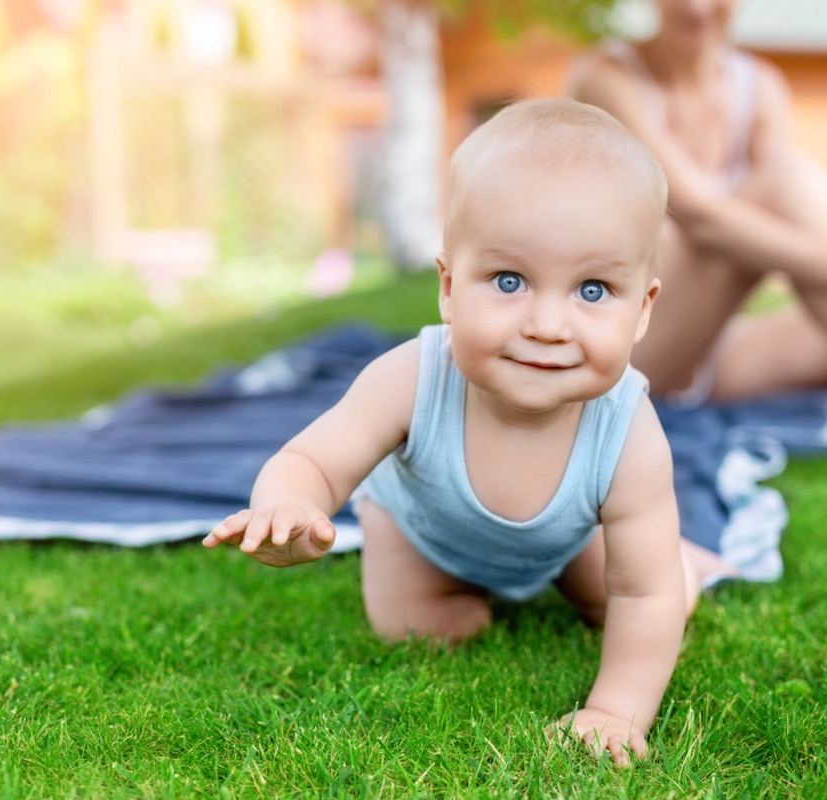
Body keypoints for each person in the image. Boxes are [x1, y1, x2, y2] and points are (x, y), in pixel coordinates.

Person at [205, 98, 720, 766]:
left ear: (642, 309)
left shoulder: (628, 431)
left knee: (653, 599)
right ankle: (454, 594)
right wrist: (290, 504)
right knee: (417, 631)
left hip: (562, 543)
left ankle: (688, 560)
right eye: (510, 281)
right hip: (421, 539)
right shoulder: (414, 378)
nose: (548, 324)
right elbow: (314, 458)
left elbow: (640, 593)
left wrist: (613, 713)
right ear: (449, 288)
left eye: (592, 291)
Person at [568, 0, 827, 451]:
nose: (697, 8)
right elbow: (700, 216)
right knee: (787, 183)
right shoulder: (608, 77)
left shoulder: (758, 86)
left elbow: (793, 238)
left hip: (720, 354)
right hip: (634, 347)